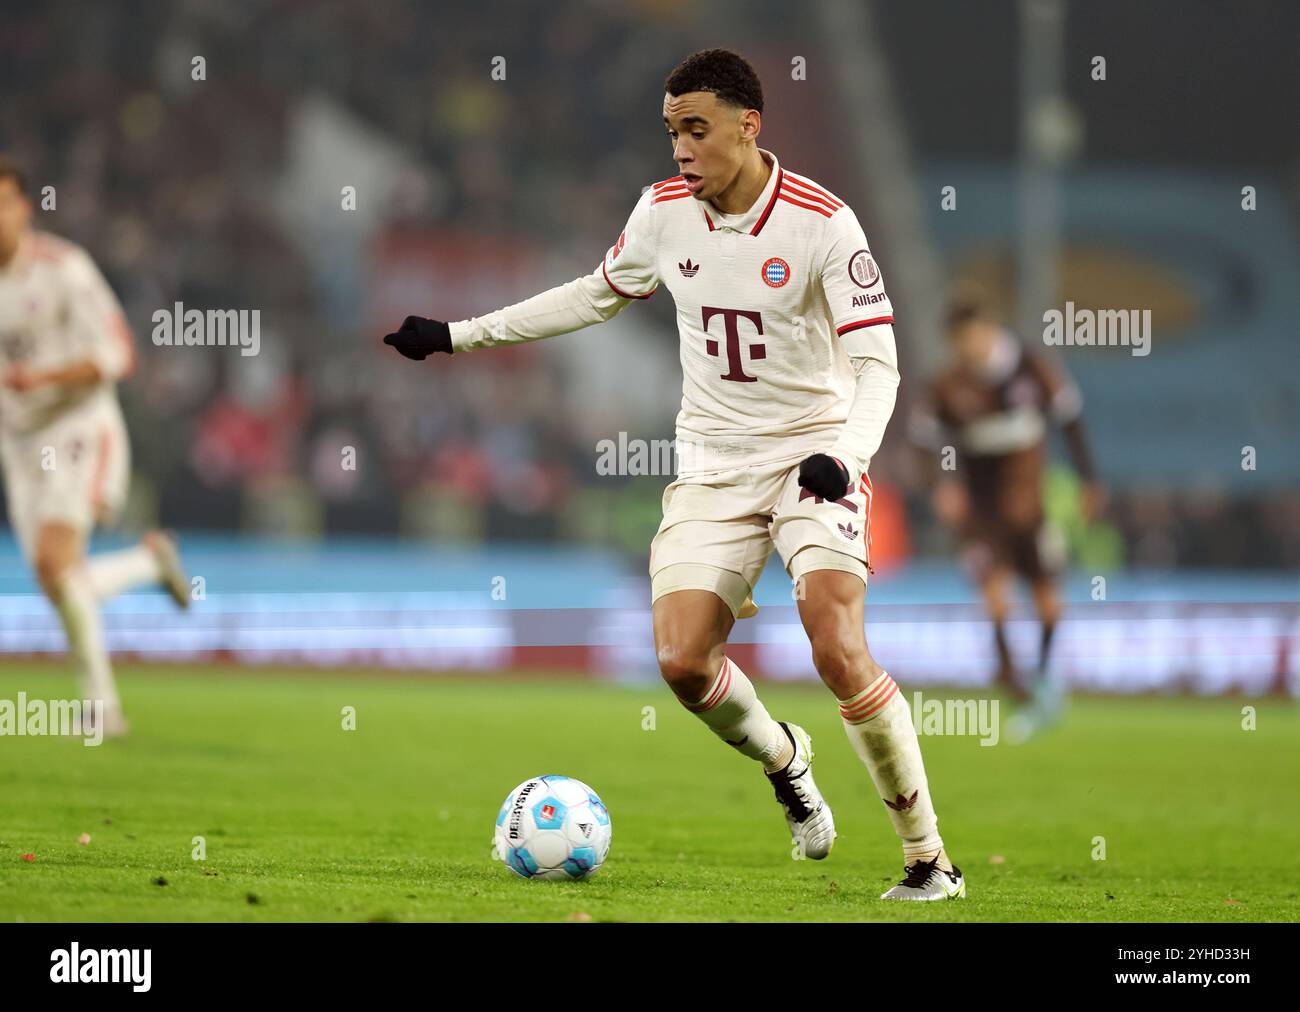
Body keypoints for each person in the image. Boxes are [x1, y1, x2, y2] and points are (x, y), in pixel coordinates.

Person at [383, 50, 963, 899]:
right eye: (671, 133)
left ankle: (927, 858)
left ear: (747, 126)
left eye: (696, 130)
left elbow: (879, 367)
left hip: (814, 459)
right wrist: (458, 334)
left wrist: (849, 456)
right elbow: (591, 295)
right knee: (683, 662)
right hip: (714, 468)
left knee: (835, 643)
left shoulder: (824, 224)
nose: (680, 149)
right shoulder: (662, 214)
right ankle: (786, 760)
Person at [0, 156, 190, 738]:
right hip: (20, 444)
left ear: (25, 208)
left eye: (2, 203)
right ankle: (148, 561)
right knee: (58, 580)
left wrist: (46, 377)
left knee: (58, 566)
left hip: (79, 427)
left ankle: (103, 711)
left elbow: (120, 355)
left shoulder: (64, 269)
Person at [910, 285, 1105, 732]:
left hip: (1031, 509)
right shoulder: (946, 385)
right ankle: (1009, 675)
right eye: (960, 341)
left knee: (1046, 599)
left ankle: (1043, 680)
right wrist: (942, 485)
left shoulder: (1033, 368)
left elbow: (1071, 421)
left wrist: (1088, 480)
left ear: (990, 329)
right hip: (982, 513)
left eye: (972, 336)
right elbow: (922, 443)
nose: (968, 348)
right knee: (995, 596)